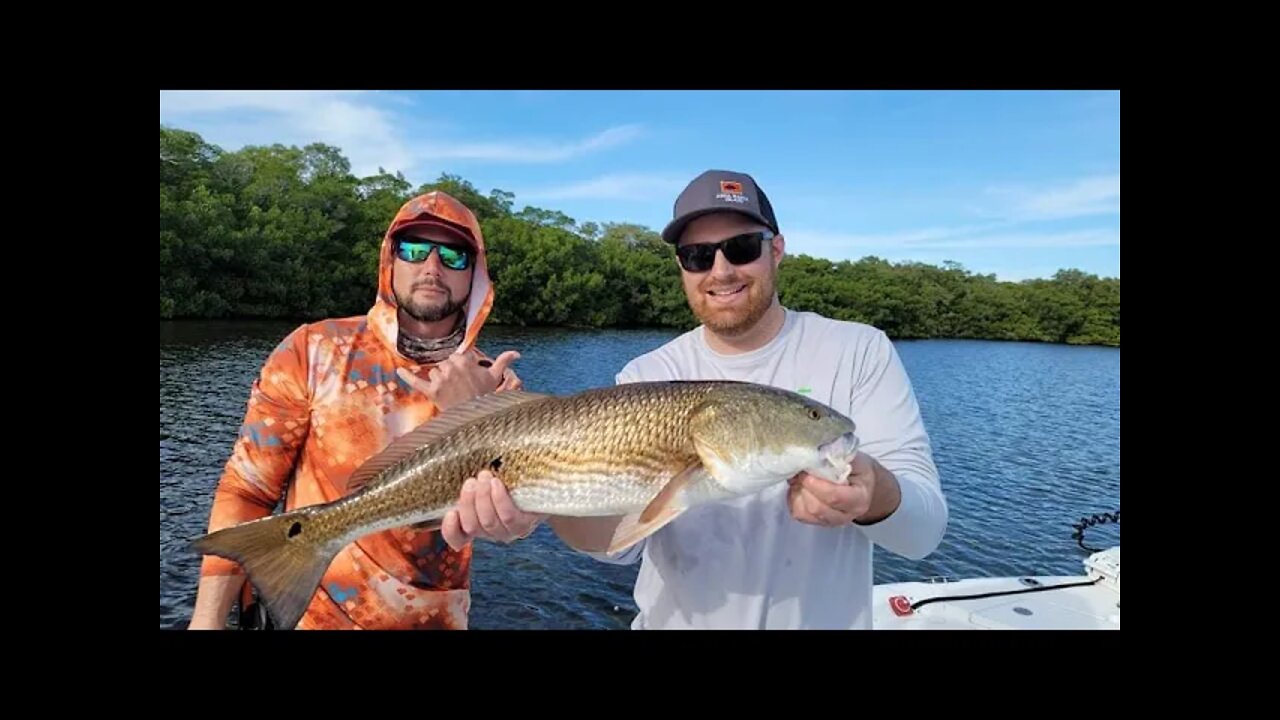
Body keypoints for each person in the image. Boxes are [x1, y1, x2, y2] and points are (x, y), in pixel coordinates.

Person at [446, 169, 948, 630]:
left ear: (777, 250)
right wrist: (540, 504)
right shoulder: (649, 374)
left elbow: (923, 536)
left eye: (743, 246)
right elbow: (618, 546)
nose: (721, 270)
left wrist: (874, 492)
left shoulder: (857, 350)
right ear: (683, 268)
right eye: (698, 256)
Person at [187, 190, 538, 630]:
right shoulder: (313, 349)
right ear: (390, 258)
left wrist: (518, 522)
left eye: (454, 255)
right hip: (306, 617)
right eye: (413, 249)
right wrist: (206, 621)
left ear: (476, 273)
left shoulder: (496, 381)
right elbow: (247, 491)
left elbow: (522, 506)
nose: (432, 268)